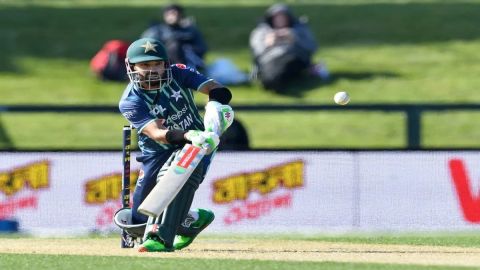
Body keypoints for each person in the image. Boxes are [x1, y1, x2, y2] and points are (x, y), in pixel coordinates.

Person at [116, 37, 234, 252]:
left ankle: (160, 239)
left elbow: (216, 88)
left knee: (174, 177)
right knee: (138, 222)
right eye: (144, 65)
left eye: (156, 64)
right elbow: (157, 134)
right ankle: (192, 221)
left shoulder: (178, 72)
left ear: (165, 64)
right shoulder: (130, 100)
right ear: (131, 67)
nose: (152, 70)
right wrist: (189, 134)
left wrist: (216, 106)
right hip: (158, 151)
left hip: (200, 143)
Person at [249, 4, 320, 92]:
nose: (280, 20)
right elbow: (256, 52)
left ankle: (275, 83)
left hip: (294, 58)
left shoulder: (300, 29)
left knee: (286, 66)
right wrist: (268, 44)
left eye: (283, 17)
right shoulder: (261, 32)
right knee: (273, 71)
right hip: (270, 60)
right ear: (271, 18)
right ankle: (273, 82)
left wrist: (295, 39)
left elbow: (312, 47)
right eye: (277, 17)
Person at [141, 4, 208, 71]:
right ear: (165, 15)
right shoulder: (156, 31)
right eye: (170, 13)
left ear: (181, 15)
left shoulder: (190, 31)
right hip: (163, 62)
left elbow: (201, 48)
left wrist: (186, 48)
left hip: (188, 63)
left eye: (175, 13)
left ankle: (182, 72)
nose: (173, 16)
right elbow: (145, 48)